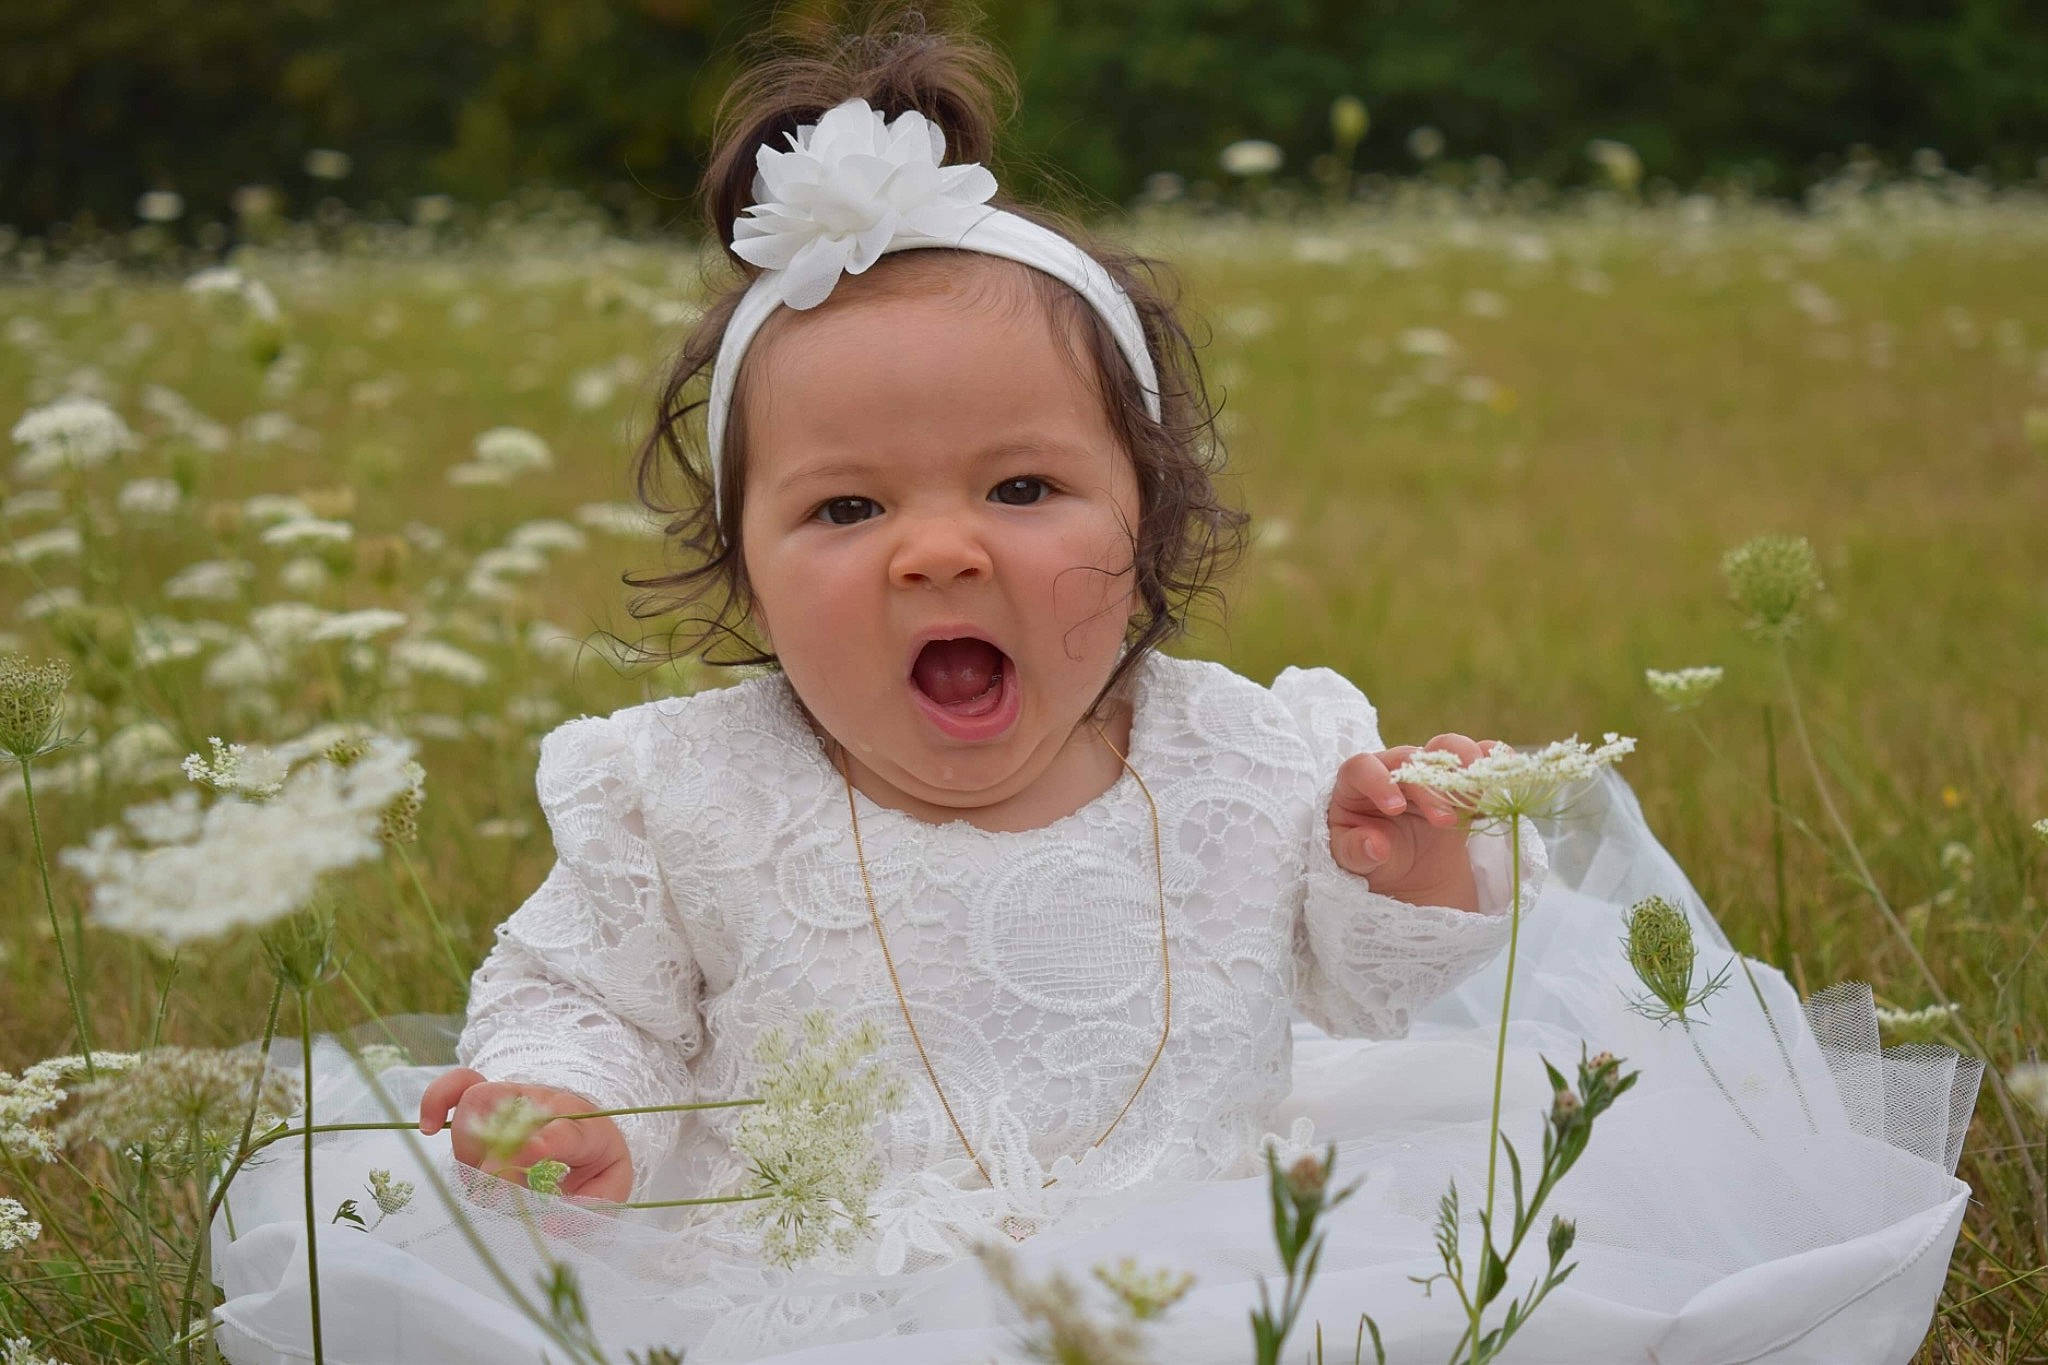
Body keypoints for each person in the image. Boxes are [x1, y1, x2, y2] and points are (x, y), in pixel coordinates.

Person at [210, 13, 1978, 1365]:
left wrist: (1412, 870)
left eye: (1023, 488)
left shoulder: (1252, 752)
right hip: (802, 1264)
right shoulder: (682, 789)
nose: (933, 552)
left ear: (1153, 521)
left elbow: (1386, 996)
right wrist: (563, 1095)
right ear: (742, 564)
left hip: (1205, 1247)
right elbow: (577, 990)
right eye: (843, 508)